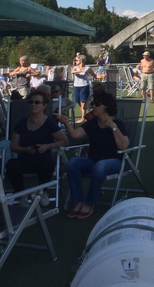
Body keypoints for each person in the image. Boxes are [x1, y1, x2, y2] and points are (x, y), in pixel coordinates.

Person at [55, 91, 130, 219]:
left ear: (106, 106)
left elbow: (123, 146)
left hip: (116, 162)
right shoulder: (92, 123)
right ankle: (78, 201)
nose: (92, 106)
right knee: (73, 163)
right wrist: (66, 122)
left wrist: (113, 127)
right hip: (94, 161)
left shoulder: (118, 123)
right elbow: (75, 135)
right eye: (93, 104)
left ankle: (89, 203)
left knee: (100, 166)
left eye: (96, 104)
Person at [6, 90, 68, 206]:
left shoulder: (49, 124)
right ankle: (21, 195)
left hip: (42, 160)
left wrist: (47, 146)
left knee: (48, 163)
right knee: (11, 164)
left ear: (44, 105)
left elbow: (64, 140)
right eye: (31, 102)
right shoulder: (22, 123)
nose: (33, 104)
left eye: (37, 102)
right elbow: (13, 146)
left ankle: (42, 192)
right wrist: (26, 149)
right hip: (25, 160)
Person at [72, 55, 96, 124]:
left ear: (81, 60)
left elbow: (94, 75)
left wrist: (101, 76)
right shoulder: (75, 68)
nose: (75, 61)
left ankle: (83, 118)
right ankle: (86, 114)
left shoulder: (87, 68)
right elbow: (72, 72)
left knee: (83, 102)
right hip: (76, 86)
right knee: (79, 102)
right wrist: (81, 71)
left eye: (76, 60)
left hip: (84, 85)